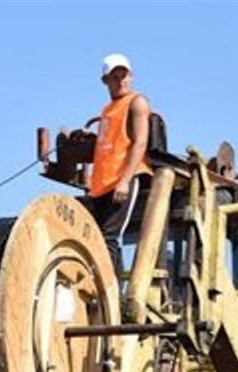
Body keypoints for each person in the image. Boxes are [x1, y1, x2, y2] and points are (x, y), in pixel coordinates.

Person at [81, 52, 152, 284]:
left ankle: (110, 296)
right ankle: (106, 292)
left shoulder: (137, 102)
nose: (121, 80)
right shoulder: (107, 110)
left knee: (110, 237)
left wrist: (125, 180)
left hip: (121, 181)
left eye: (124, 75)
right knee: (96, 238)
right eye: (115, 77)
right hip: (101, 185)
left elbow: (140, 142)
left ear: (130, 76)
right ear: (105, 81)